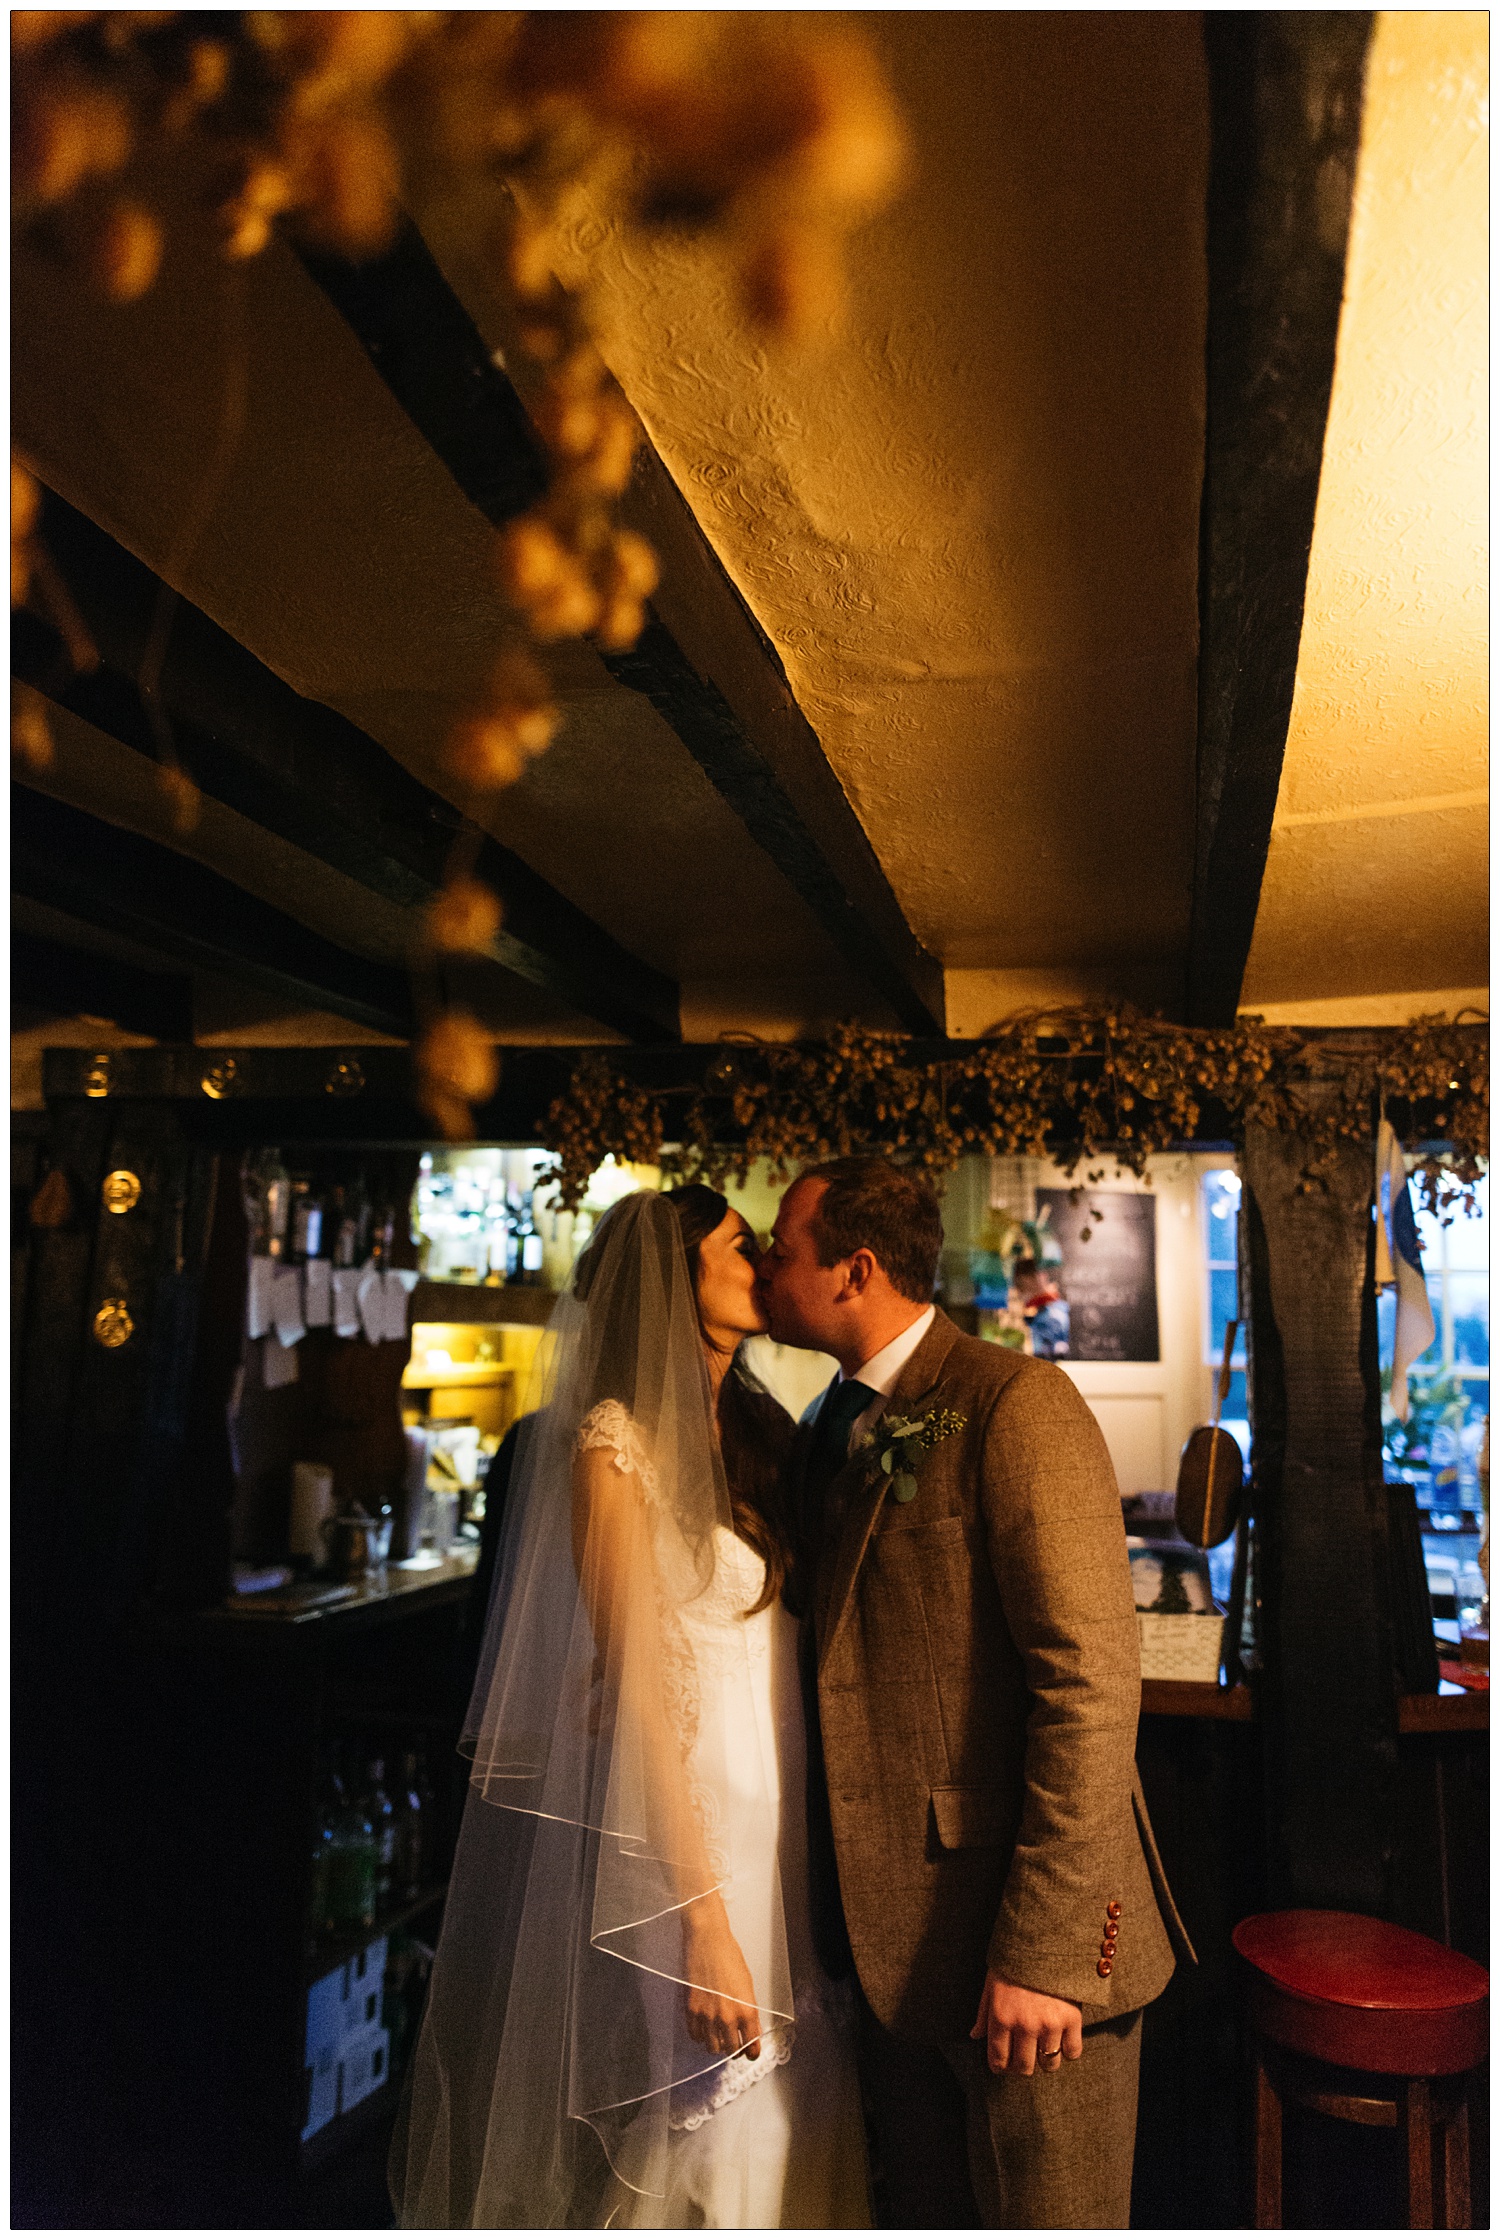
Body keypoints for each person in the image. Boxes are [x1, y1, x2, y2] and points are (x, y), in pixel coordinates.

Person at [391, 1186, 871, 2229]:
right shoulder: (615, 1450)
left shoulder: (757, 1429)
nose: (761, 1264)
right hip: (687, 1843)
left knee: (795, 2106)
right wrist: (699, 1915)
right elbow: (642, 1694)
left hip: (778, 1829)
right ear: (676, 1276)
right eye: (737, 1247)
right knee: (718, 2118)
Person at [758, 1156, 1192, 2230]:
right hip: (891, 1952)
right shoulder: (827, 1423)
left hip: (1031, 1957)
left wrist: (1046, 1955)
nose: (770, 1266)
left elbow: (1089, 1684)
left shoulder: (1015, 1402)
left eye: (783, 1247)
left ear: (854, 1269)